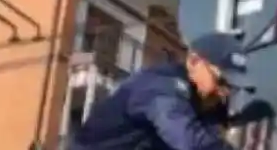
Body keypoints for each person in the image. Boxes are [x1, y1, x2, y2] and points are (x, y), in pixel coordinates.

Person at [69, 32, 256, 150]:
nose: (225, 92)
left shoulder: (208, 106)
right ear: (194, 62)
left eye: (231, 86)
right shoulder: (161, 87)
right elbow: (188, 141)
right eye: (220, 80)